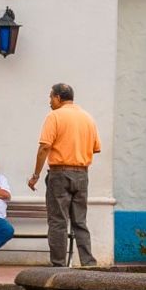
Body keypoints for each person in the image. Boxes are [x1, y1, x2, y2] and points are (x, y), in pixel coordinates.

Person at [29, 82, 101, 267]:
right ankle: (88, 263)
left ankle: (59, 265)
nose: (50, 101)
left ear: (58, 98)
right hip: (82, 174)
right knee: (80, 221)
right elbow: (95, 148)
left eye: (51, 97)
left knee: (58, 221)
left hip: (60, 173)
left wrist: (36, 174)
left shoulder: (54, 116)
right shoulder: (87, 118)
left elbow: (45, 146)